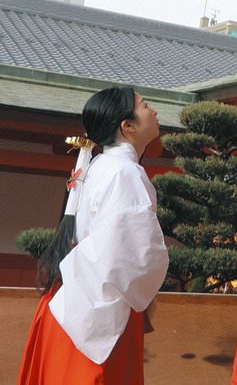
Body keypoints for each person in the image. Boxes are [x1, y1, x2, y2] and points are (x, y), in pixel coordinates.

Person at [19, 86, 170, 384]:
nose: (153, 111)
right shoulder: (124, 171)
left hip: (69, 305)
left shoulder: (101, 165)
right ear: (127, 126)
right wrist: (145, 295)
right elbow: (136, 256)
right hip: (97, 318)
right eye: (144, 106)